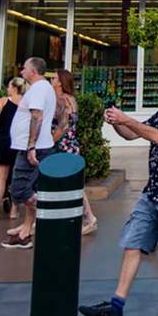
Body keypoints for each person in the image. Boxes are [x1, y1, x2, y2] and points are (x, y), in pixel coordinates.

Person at [79, 70, 158, 316]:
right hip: (152, 192)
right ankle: (116, 305)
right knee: (132, 243)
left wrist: (126, 118)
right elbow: (133, 133)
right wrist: (117, 122)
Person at [1, 57, 57, 249]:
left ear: (33, 71)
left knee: (19, 189)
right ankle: (26, 231)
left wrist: (31, 145)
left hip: (33, 148)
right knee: (31, 189)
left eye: (24, 68)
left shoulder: (39, 88)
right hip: (34, 146)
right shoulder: (41, 88)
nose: (21, 71)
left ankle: (50, 216)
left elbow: (37, 116)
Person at [51, 69, 98, 235]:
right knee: (68, 184)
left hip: (63, 145)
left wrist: (51, 140)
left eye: (55, 78)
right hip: (70, 144)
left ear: (61, 82)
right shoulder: (70, 99)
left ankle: (88, 217)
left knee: (70, 184)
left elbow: (62, 125)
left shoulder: (63, 100)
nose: (52, 80)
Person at [0, 76, 24, 221]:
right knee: (16, 177)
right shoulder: (25, 103)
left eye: (9, 86)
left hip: (4, 141)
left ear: (14, 88)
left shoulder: (3, 101)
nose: (7, 89)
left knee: (0, 179)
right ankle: (14, 211)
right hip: (19, 142)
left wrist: (0, 123)